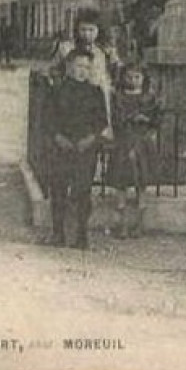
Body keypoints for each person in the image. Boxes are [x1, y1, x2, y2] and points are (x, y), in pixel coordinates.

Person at [46, 50, 108, 249]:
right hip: (61, 148)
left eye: (87, 67)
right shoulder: (57, 90)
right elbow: (47, 119)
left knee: (83, 191)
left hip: (85, 149)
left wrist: (90, 139)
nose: (83, 71)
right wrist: (59, 137)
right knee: (58, 190)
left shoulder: (95, 92)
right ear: (69, 66)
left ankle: (82, 234)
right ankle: (58, 233)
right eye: (79, 66)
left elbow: (101, 121)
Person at [107, 65, 162, 238]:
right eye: (129, 77)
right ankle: (122, 225)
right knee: (121, 184)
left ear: (143, 78)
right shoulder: (118, 97)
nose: (132, 80)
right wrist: (131, 118)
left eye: (137, 77)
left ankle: (139, 224)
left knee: (141, 185)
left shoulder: (149, 98)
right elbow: (116, 118)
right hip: (124, 142)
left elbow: (157, 119)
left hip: (143, 143)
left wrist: (148, 120)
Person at [50, 12, 116, 127]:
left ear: (98, 30)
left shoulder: (105, 50)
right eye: (83, 30)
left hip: (99, 93)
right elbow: (54, 69)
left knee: (99, 124)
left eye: (91, 30)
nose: (87, 34)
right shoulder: (66, 48)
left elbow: (116, 69)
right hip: (74, 93)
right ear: (77, 30)